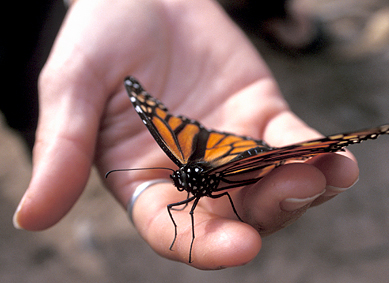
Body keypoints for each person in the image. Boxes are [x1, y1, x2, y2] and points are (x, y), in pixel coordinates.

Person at [13, 0, 358, 270]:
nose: (179, 182)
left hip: (240, 156)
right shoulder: (193, 170)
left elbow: (191, 197)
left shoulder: (196, 169)